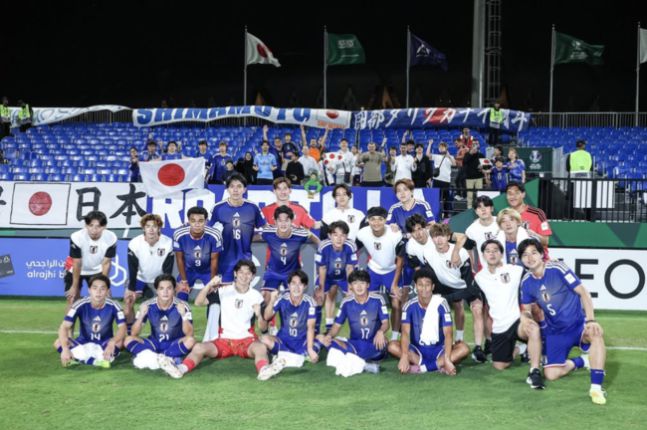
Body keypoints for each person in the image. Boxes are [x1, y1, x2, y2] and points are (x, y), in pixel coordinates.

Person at [518, 239, 608, 404]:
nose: (530, 258)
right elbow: (527, 309)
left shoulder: (557, 268)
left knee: (595, 332)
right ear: (521, 259)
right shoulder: (526, 282)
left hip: (578, 325)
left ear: (542, 254)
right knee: (551, 374)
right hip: (556, 332)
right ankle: (582, 361)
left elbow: (584, 293)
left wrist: (591, 320)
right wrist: (526, 319)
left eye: (533, 253)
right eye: (525, 255)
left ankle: (596, 388)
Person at [165, 261, 286, 381]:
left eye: (248, 273)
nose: (244, 276)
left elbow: (263, 328)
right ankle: (180, 369)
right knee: (199, 347)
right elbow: (198, 302)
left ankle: (264, 370)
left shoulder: (256, 296)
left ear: (253, 276)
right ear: (235, 274)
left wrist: (259, 314)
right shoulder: (223, 291)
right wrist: (209, 284)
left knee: (261, 348)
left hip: (247, 340)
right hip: (223, 341)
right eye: (241, 272)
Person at [475, 240, 545, 389]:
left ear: (501, 254)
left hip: (517, 321)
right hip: (499, 327)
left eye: (496, 250)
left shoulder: (515, 270)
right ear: (483, 255)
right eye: (488, 251)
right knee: (500, 365)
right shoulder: (479, 278)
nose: (492, 254)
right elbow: (468, 294)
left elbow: (535, 274)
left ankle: (534, 371)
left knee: (533, 328)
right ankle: (521, 349)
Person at [388, 268, 470, 375]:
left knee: (464, 348)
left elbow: (448, 334)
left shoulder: (441, 304)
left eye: (427, 285)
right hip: (417, 351)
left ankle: (422, 368)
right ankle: (439, 365)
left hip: (439, 350)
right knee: (392, 346)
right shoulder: (409, 306)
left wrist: (446, 358)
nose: (424, 288)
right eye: (420, 285)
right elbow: (405, 333)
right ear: (416, 286)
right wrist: (404, 355)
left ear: (433, 287)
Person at [424, 223, 486, 362]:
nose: (439, 240)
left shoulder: (461, 253)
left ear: (448, 237)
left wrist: (450, 298)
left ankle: (478, 348)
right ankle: (440, 342)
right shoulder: (428, 253)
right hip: (445, 285)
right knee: (435, 307)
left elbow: (471, 285)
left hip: (465, 285)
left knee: (477, 308)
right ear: (431, 238)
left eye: (442, 236)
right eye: (435, 236)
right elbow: (430, 277)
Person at [125, 274, 195, 376]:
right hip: (154, 343)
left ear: (174, 290)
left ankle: (155, 358)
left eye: (169, 288)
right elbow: (134, 333)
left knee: (191, 341)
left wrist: (183, 315)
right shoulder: (147, 305)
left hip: (174, 343)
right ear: (157, 290)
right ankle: (166, 359)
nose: (165, 292)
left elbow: (189, 334)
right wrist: (141, 317)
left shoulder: (183, 305)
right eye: (161, 288)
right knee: (128, 340)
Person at [323, 269, 389, 377]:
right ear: (350, 286)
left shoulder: (378, 299)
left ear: (368, 285)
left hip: (374, 344)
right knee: (328, 342)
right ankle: (365, 366)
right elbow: (336, 326)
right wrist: (329, 336)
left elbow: (386, 323)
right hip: (355, 343)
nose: (359, 286)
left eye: (362, 283)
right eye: (355, 283)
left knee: (335, 352)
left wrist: (381, 332)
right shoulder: (346, 302)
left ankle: (351, 359)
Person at [54, 274, 125, 368]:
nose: (98, 292)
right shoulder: (79, 304)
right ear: (89, 290)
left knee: (120, 342)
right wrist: (65, 349)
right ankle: (95, 361)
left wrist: (112, 343)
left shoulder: (114, 305)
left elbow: (122, 328)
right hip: (83, 342)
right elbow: (64, 327)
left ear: (108, 291)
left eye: (102, 289)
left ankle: (79, 358)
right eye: (95, 288)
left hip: (104, 343)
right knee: (59, 342)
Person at [356, 207, 404, 341]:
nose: (376, 223)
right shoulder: (362, 233)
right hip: (373, 270)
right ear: (368, 220)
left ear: (385, 220)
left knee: (396, 303)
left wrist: (395, 283)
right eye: (373, 219)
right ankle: (370, 334)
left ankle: (395, 337)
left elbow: (400, 260)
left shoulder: (395, 235)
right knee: (368, 303)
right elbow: (354, 249)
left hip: (392, 270)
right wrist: (355, 268)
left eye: (380, 219)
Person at [210, 174, 266, 283]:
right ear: (227, 189)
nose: (235, 190)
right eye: (232, 186)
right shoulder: (218, 208)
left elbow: (265, 229)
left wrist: (253, 237)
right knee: (225, 290)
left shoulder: (253, 208)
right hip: (224, 260)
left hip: (245, 260)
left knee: (242, 289)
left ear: (244, 189)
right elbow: (208, 231)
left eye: (239, 186)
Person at [261, 270, 324, 366]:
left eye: (300, 284)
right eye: (293, 283)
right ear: (289, 285)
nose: (296, 288)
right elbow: (266, 316)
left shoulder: (310, 302)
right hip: (283, 341)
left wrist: (310, 349)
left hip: (302, 342)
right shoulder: (282, 299)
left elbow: (311, 327)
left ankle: (284, 356)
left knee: (321, 338)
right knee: (264, 339)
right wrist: (272, 301)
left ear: (305, 286)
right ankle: (298, 356)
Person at [124, 213, 174, 330]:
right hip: (140, 278)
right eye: (148, 226)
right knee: (128, 301)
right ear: (143, 228)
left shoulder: (167, 243)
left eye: (154, 226)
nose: (151, 229)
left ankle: (165, 331)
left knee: (168, 303)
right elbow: (132, 268)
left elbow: (168, 270)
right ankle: (130, 332)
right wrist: (131, 288)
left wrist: (166, 288)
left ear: (159, 228)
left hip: (160, 280)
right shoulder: (135, 243)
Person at [66, 211, 117, 309]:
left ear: (104, 226)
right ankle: (69, 319)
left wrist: (105, 285)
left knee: (103, 299)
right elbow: (77, 263)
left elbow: (106, 263)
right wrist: (74, 287)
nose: (94, 230)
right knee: (72, 300)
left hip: (97, 270)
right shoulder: (76, 237)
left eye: (98, 226)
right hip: (75, 269)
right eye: (91, 225)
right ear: (86, 225)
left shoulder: (111, 237)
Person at [173, 206, 223, 302]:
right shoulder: (179, 234)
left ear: (206, 221)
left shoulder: (215, 235)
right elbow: (180, 259)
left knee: (215, 297)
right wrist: (184, 281)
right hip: (189, 270)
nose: (197, 224)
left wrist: (212, 281)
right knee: (181, 296)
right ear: (188, 221)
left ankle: (213, 310)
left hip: (208, 270)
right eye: (193, 221)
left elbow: (214, 260)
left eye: (200, 221)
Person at [316, 221, 358, 333]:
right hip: (328, 275)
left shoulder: (351, 246)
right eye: (335, 235)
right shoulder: (323, 246)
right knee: (318, 298)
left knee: (353, 299)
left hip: (345, 276)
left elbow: (350, 268)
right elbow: (322, 268)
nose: (339, 239)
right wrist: (321, 289)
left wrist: (350, 288)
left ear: (347, 236)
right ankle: (323, 328)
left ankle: (357, 330)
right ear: (329, 235)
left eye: (342, 235)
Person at [505, 181, 552, 248]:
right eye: (509, 193)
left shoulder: (537, 213)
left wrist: (533, 235)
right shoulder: (504, 215)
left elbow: (545, 241)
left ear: (523, 194)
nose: (512, 196)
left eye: (516, 193)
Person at [429, 141, 455, 218]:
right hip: (437, 180)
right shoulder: (436, 156)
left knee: (446, 199)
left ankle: (446, 215)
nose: (441, 148)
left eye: (443, 147)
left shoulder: (451, 157)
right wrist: (430, 144)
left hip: (446, 180)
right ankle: (435, 213)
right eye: (440, 147)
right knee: (436, 198)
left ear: (446, 148)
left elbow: (454, 164)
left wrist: (449, 156)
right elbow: (427, 155)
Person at [463, 143, 486, 209]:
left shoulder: (481, 155)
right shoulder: (467, 154)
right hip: (469, 178)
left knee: (480, 194)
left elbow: (486, 164)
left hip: (479, 177)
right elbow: (464, 162)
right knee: (469, 195)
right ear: (471, 148)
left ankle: (480, 207)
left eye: (475, 148)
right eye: (473, 148)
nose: (474, 149)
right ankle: (469, 208)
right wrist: (470, 153)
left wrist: (482, 167)